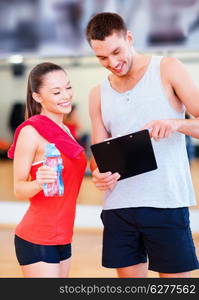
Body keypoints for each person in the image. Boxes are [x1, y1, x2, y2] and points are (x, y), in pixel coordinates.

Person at [86, 12, 199, 278]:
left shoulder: (167, 68)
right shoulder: (97, 93)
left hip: (166, 203)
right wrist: (98, 174)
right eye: (102, 57)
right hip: (119, 207)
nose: (112, 63)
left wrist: (176, 124)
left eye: (117, 51)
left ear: (129, 38)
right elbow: (97, 157)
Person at [7, 62, 87, 277]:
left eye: (68, 87)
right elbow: (18, 189)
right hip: (37, 238)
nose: (66, 95)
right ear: (37, 97)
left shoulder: (67, 131)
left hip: (64, 236)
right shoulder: (30, 132)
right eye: (56, 91)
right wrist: (38, 183)